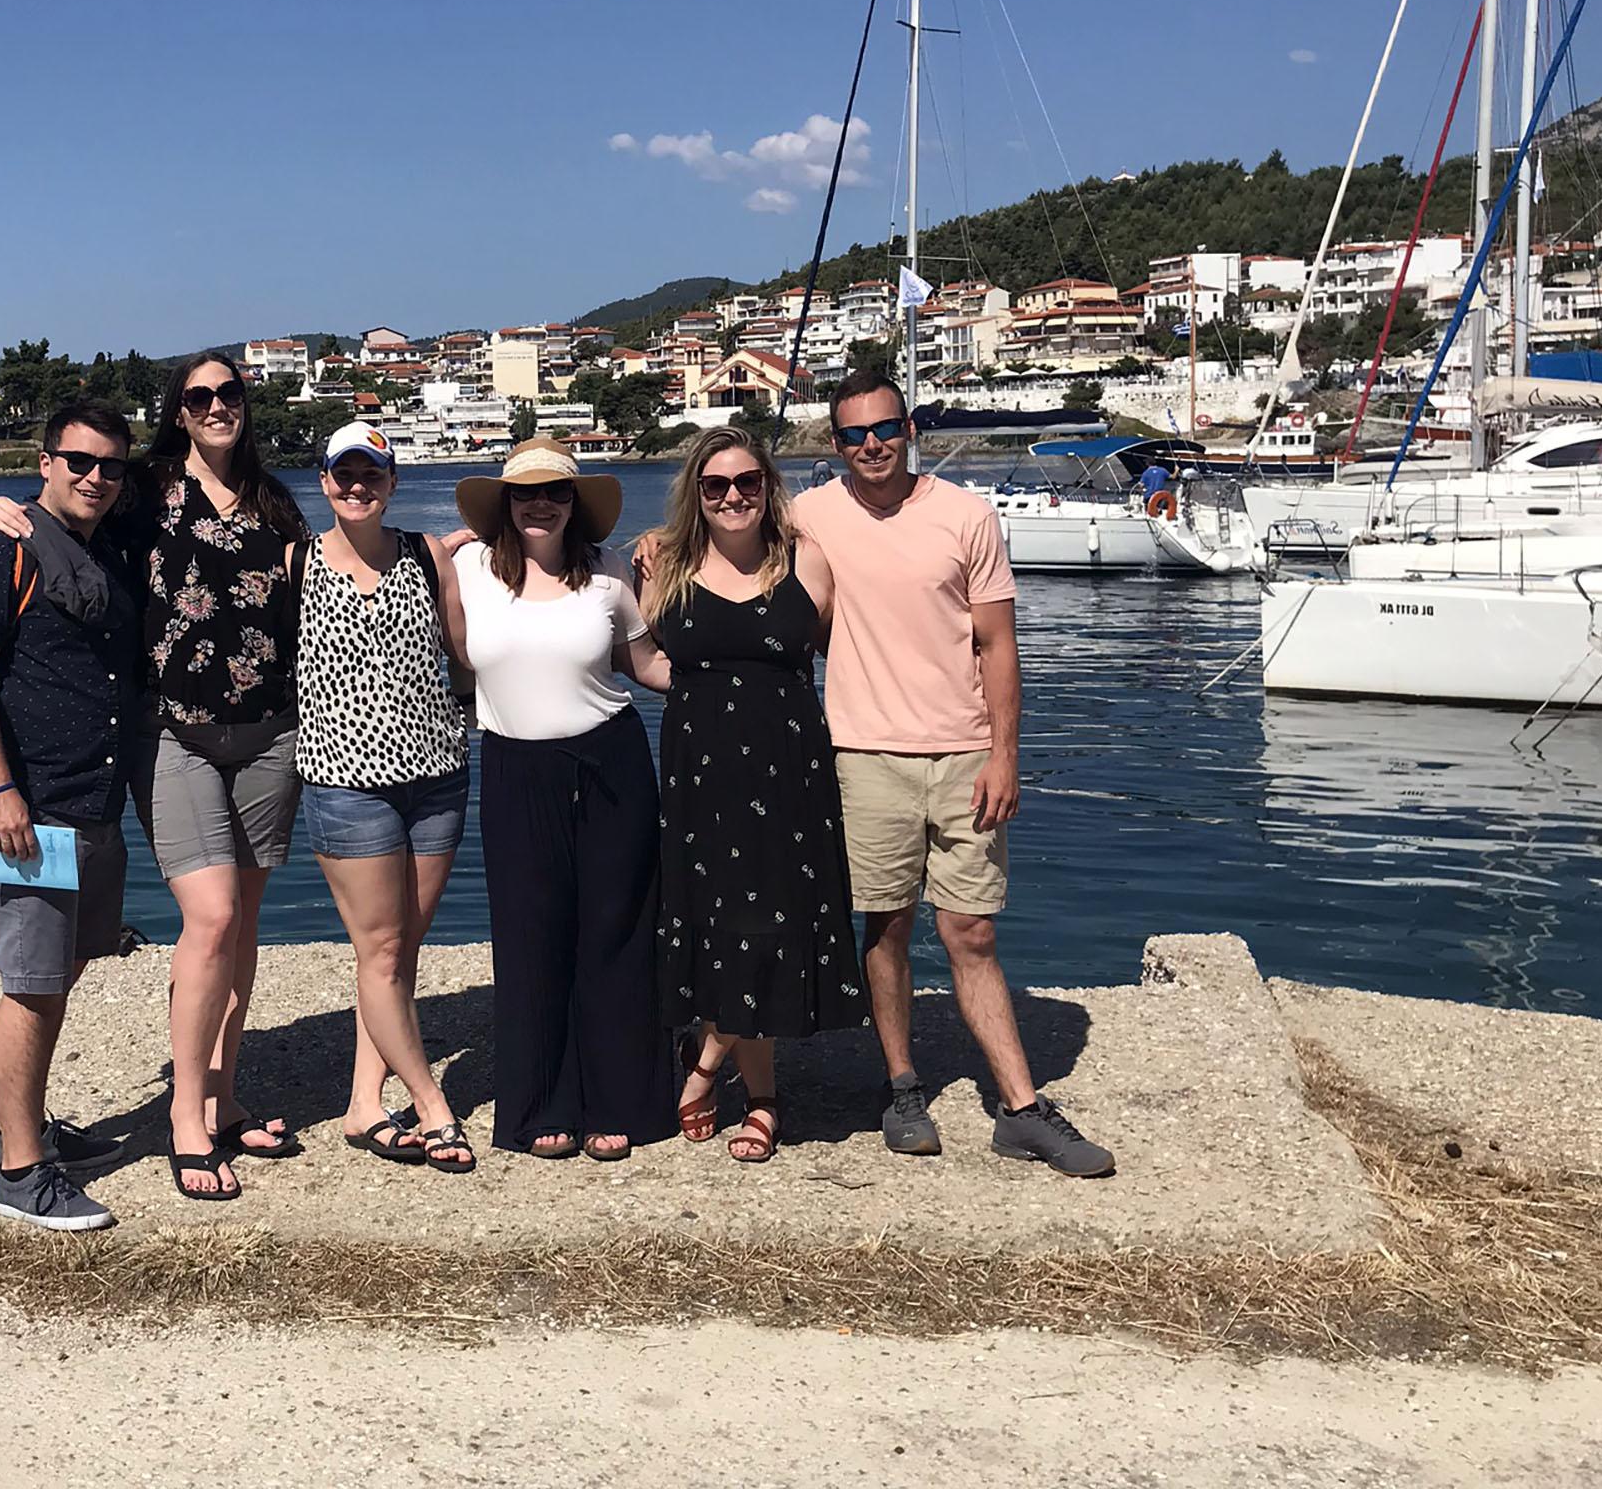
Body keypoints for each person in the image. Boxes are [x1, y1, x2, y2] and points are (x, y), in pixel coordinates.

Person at [0, 351, 309, 1201]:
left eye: (229, 393)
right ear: (179, 411)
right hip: (172, 739)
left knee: (242, 929)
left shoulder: (275, 501)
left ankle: (223, 1098)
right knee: (211, 916)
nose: (216, 406)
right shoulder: (146, 492)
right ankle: (184, 1121)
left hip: (267, 736)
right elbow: (57, 523)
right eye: (198, 397)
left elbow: (325, 583)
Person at [795, 369, 1114, 1176]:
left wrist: (1007, 755)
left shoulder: (966, 515)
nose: (871, 445)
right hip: (865, 754)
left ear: (910, 430)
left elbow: (998, 645)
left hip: (965, 751)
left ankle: (1020, 1107)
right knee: (887, 927)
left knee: (971, 929)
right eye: (854, 435)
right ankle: (902, 1088)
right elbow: (722, 536)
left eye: (885, 429)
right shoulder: (810, 515)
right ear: (834, 444)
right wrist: (654, 547)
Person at [629, 426, 865, 1165]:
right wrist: (698, 692)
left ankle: (705, 1072)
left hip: (789, 770)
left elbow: (837, 656)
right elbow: (645, 659)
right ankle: (760, 1097)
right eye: (716, 485)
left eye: (747, 483)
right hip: (701, 772)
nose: (733, 496)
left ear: (768, 486)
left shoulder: (807, 560)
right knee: (719, 924)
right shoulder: (662, 564)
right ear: (696, 494)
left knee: (770, 924)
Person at [0, 398, 147, 1230]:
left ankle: (22, 1130)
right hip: (24, 810)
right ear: (45, 462)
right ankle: (21, 1173)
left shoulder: (102, 548)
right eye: (79, 461)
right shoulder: (3, 548)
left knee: (59, 975)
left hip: (88, 804)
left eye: (111, 466)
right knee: (31, 989)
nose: (95, 477)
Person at [451, 437, 675, 1161]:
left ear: (576, 504)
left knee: (616, 935)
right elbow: (406, 564)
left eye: (555, 492)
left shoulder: (610, 575)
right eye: (524, 492)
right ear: (505, 505)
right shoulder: (467, 568)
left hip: (611, 762)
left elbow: (646, 665)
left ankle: (620, 1102)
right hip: (515, 770)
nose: (540, 502)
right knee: (530, 938)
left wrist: (734, 672)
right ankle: (542, 1102)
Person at [292, 421, 476, 1173]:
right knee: (385, 949)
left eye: (373, 475)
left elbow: (462, 657)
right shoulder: (295, 560)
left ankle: (365, 1102)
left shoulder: (428, 556)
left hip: (437, 774)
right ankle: (432, 1104)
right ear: (325, 483)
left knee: (399, 954)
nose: (358, 487)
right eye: (345, 475)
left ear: (393, 482)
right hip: (346, 782)